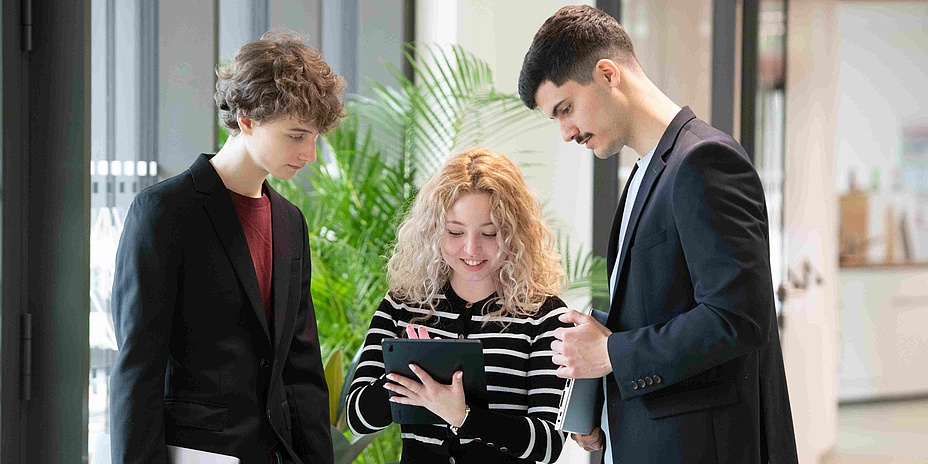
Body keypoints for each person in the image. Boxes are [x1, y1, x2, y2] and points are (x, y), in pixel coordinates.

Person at [518, 5, 799, 463]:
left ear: (608, 74)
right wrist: (597, 399)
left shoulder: (704, 161)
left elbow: (738, 318)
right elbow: (659, 310)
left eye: (565, 109)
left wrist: (611, 353)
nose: (566, 132)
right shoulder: (643, 175)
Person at [109, 31, 345, 464]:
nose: (310, 154)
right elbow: (137, 371)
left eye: (315, 137)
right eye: (296, 136)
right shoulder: (165, 211)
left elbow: (301, 368)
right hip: (199, 453)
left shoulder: (290, 222)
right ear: (248, 119)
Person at [345, 148, 571, 463]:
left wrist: (464, 416)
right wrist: (411, 374)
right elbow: (357, 416)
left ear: (515, 233)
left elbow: (549, 443)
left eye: (490, 233)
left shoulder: (545, 316)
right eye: (455, 232)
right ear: (434, 230)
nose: (471, 249)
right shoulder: (402, 303)